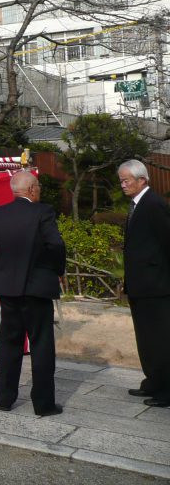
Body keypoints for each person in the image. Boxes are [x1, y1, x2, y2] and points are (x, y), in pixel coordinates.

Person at [0, 170, 66, 417]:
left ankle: (4, 398)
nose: (39, 190)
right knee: (41, 345)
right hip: (37, 289)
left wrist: (0, 270)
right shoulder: (43, 212)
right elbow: (56, 244)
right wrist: (57, 269)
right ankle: (43, 403)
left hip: (8, 289)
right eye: (38, 186)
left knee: (9, 344)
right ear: (31, 190)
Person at [117, 159, 170, 408]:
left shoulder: (154, 204)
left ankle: (166, 390)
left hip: (156, 286)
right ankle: (153, 381)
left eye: (126, 180)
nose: (123, 184)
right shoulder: (138, 204)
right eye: (121, 180)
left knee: (160, 340)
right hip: (141, 285)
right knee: (146, 339)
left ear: (142, 180)